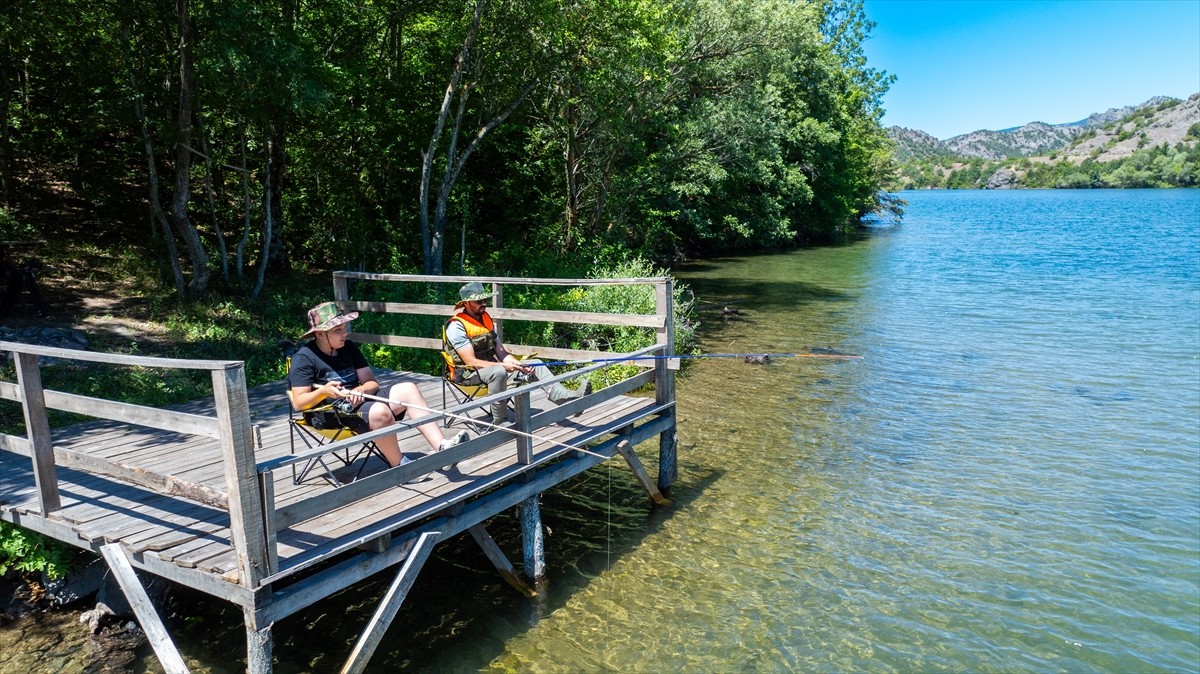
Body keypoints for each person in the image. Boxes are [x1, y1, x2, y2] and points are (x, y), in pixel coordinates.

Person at [288, 301, 468, 469]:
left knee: (408, 389)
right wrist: (324, 392)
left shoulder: (348, 347)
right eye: (337, 330)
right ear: (320, 333)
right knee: (380, 411)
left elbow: (371, 382)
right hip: (328, 412)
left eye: (344, 328)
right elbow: (299, 402)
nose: (345, 333)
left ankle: (442, 448)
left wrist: (360, 390)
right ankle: (400, 466)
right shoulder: (304, 358)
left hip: (358, 403)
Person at [442, 282, 591, 423]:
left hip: (493, 369)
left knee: (535, 364)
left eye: (485, 300)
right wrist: (503, 366)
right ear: (466, 304)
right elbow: (471, 362)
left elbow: (502, 352)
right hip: (467, 375)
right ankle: (500, 421)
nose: (484, 304)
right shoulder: (456, 326)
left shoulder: (486, 319)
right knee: (499, 371)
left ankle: (566, 399)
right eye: (479, 301)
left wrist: (519, 365)